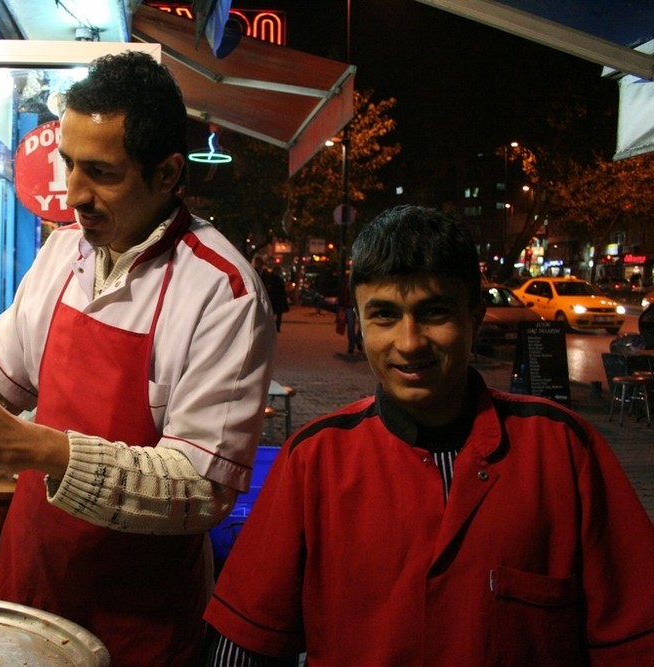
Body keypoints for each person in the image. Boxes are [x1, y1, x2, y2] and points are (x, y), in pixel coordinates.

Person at [0, 51, 277, 666]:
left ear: (169, 173)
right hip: (32, 582)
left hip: (137, 617)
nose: (74, 193)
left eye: (101, 172)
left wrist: (40, 448)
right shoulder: (64, 253)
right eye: (68, 163)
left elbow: (202, 487)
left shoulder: (222, 291)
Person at [203, 205, 654, 665]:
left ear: (475, 318)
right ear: (359, 323)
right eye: (384, 315)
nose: (410, 341)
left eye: (434, 312)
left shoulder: (563, 449)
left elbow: (634, 639)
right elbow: (246, 644)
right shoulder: (314, 459)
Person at [253, 256, 289, 331]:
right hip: (260, 293)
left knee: (274, 313)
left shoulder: (266, 273)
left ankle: (275, 327)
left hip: (271, 295)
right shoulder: (254, 271)